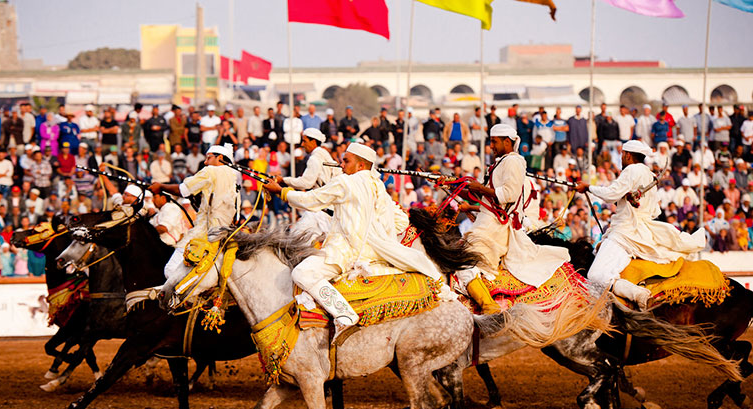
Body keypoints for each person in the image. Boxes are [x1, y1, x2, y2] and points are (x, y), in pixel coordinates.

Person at [264, 142, 454, 337]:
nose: (341, 164)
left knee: (301, 273)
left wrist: (281, 191)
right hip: (373, 251)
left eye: (346, 161)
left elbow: (311, 200)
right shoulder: (378, 186)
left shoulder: (346, 182)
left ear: (360, 165)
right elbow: (400, 220)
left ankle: (344, 315)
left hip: (344, 250)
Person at [575, 140, 706, 309]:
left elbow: (611, 194)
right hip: (640, 232)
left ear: (628, 155)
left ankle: (639, 295)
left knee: (595, 276)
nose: (621, 157)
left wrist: (588, 188)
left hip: (624, 232)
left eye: (622, 154)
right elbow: (654, 211)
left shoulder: (631, 170)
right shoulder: (649, 174)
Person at [454, 124, 569, 314]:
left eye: (494, 142)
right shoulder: (503, 161)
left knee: (464, 266)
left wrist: (479, 188)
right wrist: (452, 186)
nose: (491, 146)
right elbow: (484, 196)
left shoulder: (514, 162)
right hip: (486, 222)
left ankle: (490, 311)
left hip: (493, 228)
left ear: (507, 142)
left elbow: (509, 194)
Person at [150, 144, 238, 279]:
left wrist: (161, 186)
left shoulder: (211, 171)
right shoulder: (233, 176)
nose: (205, 162)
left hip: (205, 231)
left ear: (219, 157)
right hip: (225, 231)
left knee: (171, 269)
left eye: (208, 158)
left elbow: (183, 190)